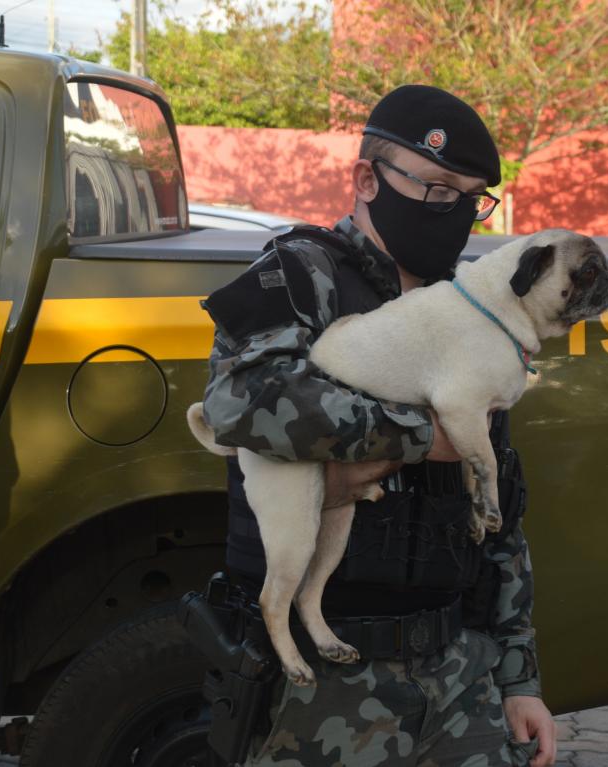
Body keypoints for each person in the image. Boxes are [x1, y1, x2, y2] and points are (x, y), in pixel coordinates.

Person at [197, 84, 556, 767]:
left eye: (473, 198)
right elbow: (239, 401)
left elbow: (499, 507)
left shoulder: (475, 304)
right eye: (438, 189)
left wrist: (518, 677)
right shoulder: (298, 276)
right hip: (326, 684)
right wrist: (420, 436)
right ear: (366, 178)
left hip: (459, 678)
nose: (458, 214)